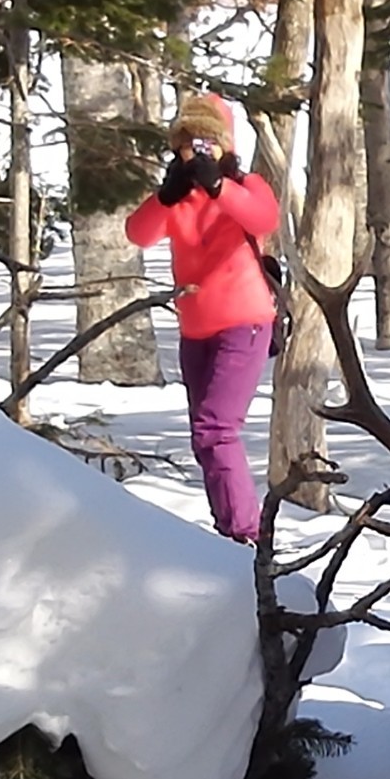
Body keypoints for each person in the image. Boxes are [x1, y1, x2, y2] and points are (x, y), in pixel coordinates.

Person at [125, 93, 283, 545]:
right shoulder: (177, 197)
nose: (199, 150)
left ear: (225, 143)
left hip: (245, 322)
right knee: (204, 436)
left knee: (215, 430)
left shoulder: (244, 185)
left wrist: (220, 186)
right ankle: (228, 530)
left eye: (208, 141)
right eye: (189, 141)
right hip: (195, 330)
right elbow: (139, 233)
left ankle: (246, 535)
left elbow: (263, 217)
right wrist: (165, 194)